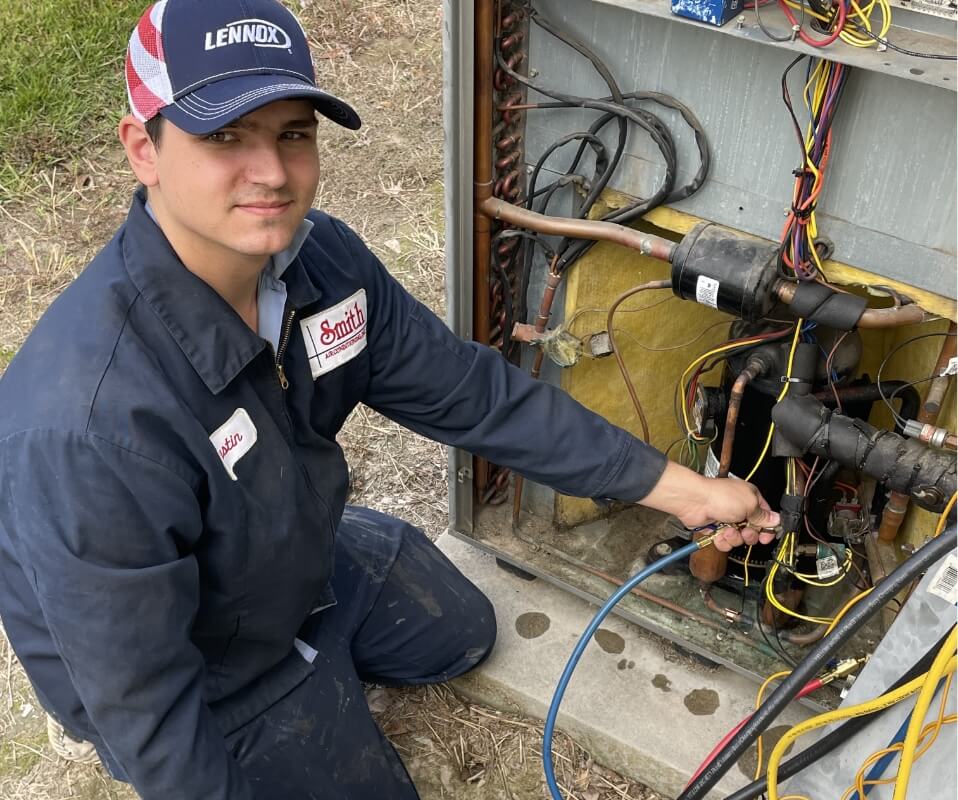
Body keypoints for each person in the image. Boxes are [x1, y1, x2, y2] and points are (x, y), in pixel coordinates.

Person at [0, 1, 779, 798]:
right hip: (198, 661)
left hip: (280, 550)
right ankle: (287, 683)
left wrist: (685, 492)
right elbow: (145, 709)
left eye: (292, 133)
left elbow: (475, 397)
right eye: (224, 137)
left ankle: (307, 619)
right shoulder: (89, 426)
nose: (270, 172)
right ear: (144, 148)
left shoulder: (319, 262)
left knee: (462, 637)